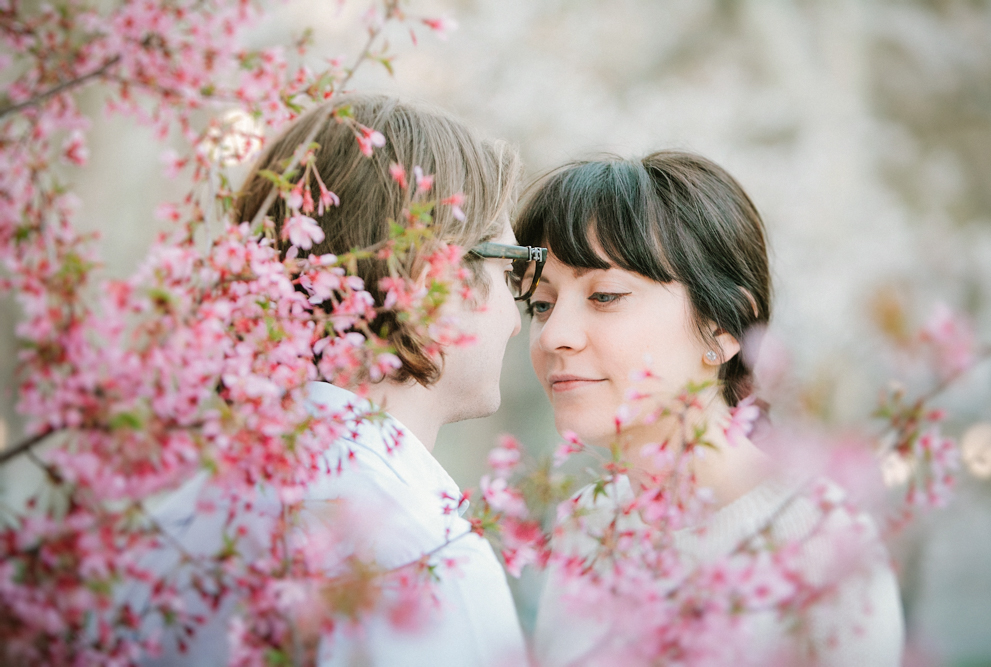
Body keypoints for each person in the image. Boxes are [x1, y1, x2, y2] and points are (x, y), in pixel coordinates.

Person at [141, 94, 533, 666]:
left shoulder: (169, 527)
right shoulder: (421, 559)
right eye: (507, 270)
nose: (515, 320)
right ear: (433, 281)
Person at [514, 151, 904, 666]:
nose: (554, 337)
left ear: (724, 327)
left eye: (604, 295)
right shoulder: (587, 526)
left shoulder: (817, 537)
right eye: (541, 304)